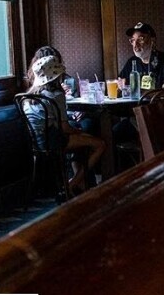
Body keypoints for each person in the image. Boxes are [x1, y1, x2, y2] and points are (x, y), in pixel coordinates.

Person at [23, 54, 105, 193]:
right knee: (100, 144)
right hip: (53, 140)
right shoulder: (56, 95)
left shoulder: (29, 96)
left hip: (35, 142)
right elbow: (65, 128)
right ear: (57, 76)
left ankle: (81, 185)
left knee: (82, 141)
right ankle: (71, 185)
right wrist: (80, 132)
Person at [118, 22, 164, 93]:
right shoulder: (132, 62)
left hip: (158, 100)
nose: (135, 45)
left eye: (140, 39)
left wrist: (139, 92)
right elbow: (120, 82)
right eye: (133, 40)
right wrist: (120, 85)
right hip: (136, 100)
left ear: (152, 41)